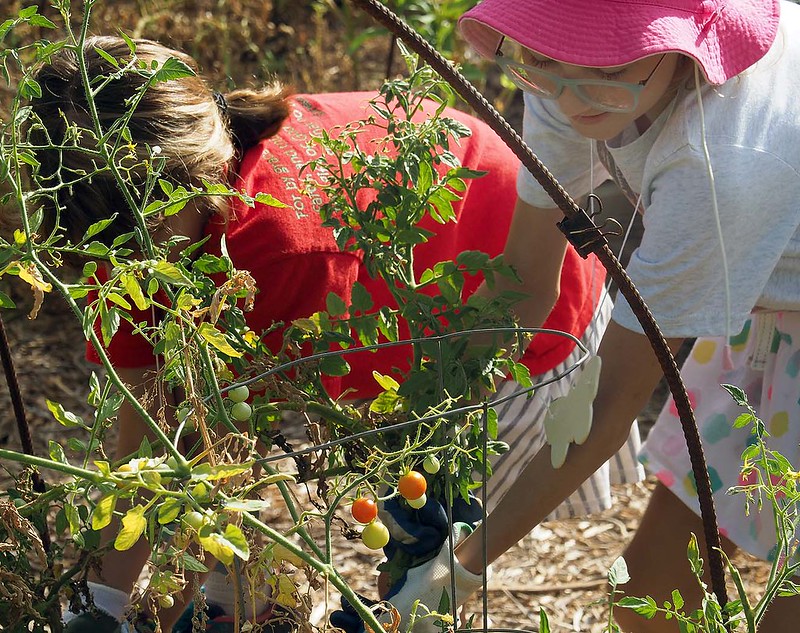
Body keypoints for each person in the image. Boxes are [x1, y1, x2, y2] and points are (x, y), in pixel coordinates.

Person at [27, 35, 643, 632]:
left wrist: (176, 600)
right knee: (264, 577)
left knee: (417, 567)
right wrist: (104, 599)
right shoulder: (125, 215)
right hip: (401, 294)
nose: (125, 267)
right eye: (101, 249)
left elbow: (218, 449)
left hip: (511, 312)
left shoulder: (278, 253)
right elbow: (151, 429)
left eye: (135, 243)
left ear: (201, 176)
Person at [377, 0, 800, 631]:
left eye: (609, 60)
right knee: (650, 596)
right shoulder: (567, 81)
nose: (573, 100)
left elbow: (609, 401)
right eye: (544, 57)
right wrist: (423, 442)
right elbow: (523, 283)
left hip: (764, 273)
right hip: (765, 314)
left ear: (682, 47)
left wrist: (464, 569)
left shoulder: (720, 165)